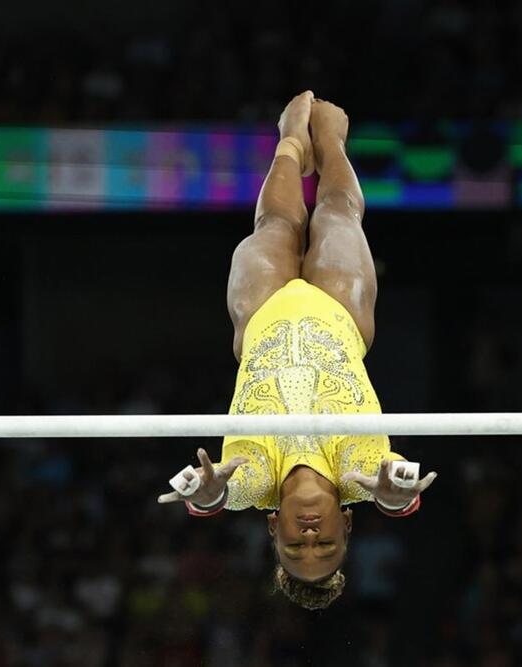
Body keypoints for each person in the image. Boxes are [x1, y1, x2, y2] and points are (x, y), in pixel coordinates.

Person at [158, 91, 437, 610]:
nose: (310, 535)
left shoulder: (255, 477)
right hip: (339, 314)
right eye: (325, 543)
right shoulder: (359, 467)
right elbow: (393, 486)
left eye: (295, 545)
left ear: (272, 527)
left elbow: (221, 494)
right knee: (337, 216)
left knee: (275, 227)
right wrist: (396, 497)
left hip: (261, 315)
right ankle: (330, 141)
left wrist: (207, 494)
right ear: (347, 524)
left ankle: (290, 140)